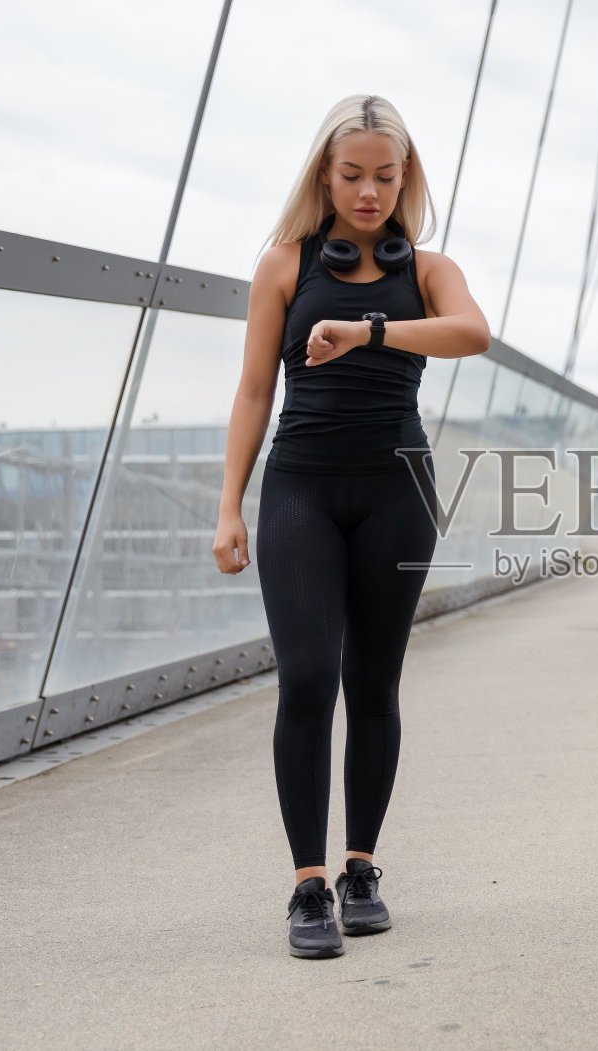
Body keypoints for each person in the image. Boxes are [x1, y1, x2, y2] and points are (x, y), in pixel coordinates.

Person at [212, 95, 491, 960]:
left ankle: (361, 868)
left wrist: (368, 330)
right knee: (306, 679)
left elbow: (473, 333)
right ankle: (307, 884)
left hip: (397, 493)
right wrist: (228, 504)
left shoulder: (429, 270)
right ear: (323, 178)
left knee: (375, 683)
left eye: (385, 174)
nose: (369, 192)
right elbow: (256, 389)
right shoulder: (284, 267)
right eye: (351, 175)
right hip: (300, 490)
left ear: (404, 178)